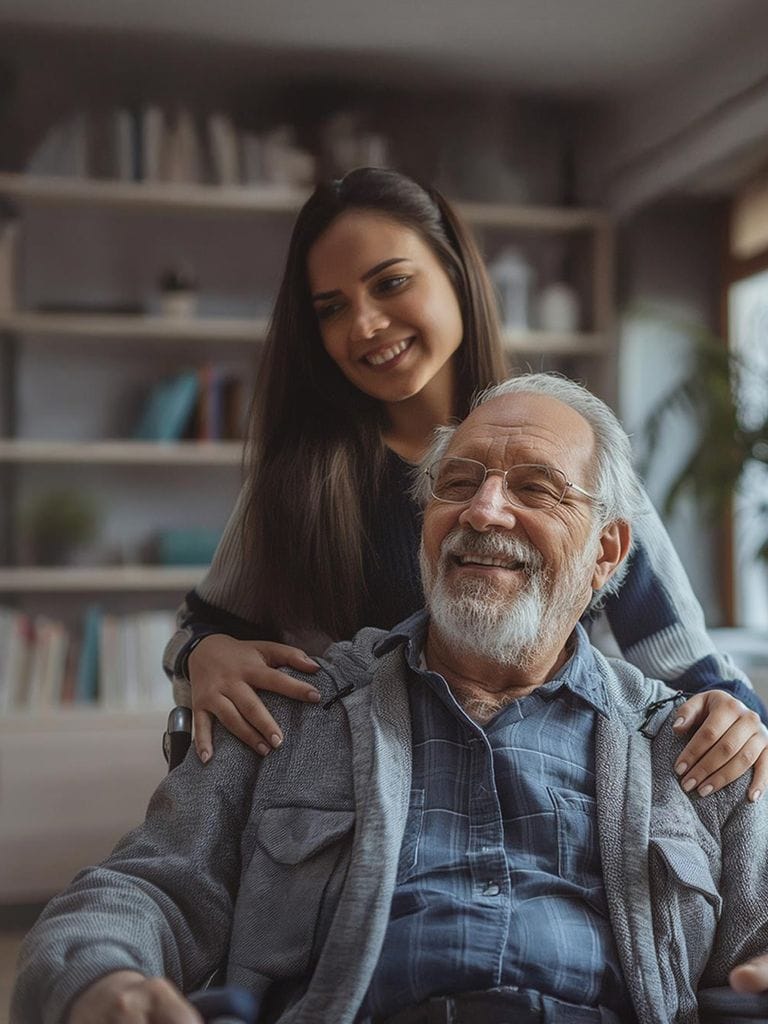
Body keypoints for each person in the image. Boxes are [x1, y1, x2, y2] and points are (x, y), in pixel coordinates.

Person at [13, 374, 768, 1024]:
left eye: (535, 488)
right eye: (458, 483)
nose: (483, 511)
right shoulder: (290, 711)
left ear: (606, 550)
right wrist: (100, 977)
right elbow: (147, 888)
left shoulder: (692, 748)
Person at [163, 166, 768, 799]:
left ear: (456, 274)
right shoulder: (296, 485)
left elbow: (696, 677)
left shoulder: (579, 460)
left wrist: (732, 715)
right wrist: (203, 655)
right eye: (332, 308)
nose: (363, 325)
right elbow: (198, 629)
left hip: (542, 800)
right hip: (354, 809)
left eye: (390, 283)